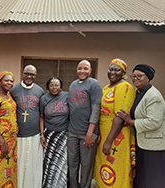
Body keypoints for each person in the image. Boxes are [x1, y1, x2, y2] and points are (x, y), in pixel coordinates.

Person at [116, 64, 165, 188]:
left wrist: (130, 121)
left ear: (148, 78)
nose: (136, 79)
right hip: (142, 141)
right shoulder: (139, 92)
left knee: (152, 177)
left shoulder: (153, 96)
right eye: (134, 76)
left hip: (153, 145)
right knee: (143, 174)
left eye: (140, 76)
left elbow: (154, 122)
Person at [93, 58, 136, 188]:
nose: (113, 72)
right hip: (104, 134)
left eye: (117, 70)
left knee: (117, 166)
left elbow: (120, 117)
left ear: (123, 73)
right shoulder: (107, 87)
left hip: (117, 136)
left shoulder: (125, 87)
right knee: (105, 165)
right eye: (110, 69)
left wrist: (108, 141)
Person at [68, 60, 102, 188]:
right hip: (72, 132)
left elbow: (96, 110)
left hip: (86, 133)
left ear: (90, 70)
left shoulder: (94, 84)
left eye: (85, 68)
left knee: (86, 165)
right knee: (72, 163)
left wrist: (90, 133)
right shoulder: (72, 85)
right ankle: (73, 185)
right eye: (79, 68)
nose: (82, 71)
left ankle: (85, 186)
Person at [10, 65, 45, 188]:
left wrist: (42, 134)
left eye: (32, 74)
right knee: (19, 164)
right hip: (19, 135)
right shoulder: (14, 90)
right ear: (22, 73)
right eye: (27, 73)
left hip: (35, 135)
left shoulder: (40, 91)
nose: (29, 76)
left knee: (33, 164)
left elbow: (42, 114)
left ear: (36, 76)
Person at [39, 77, 69, 188]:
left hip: (63, 134)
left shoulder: (67, 96)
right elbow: (41, 117)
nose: (54, 87)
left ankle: (60, 185)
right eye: (51, 85)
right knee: (48, 162)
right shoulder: (44, 99)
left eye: (57, 85)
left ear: (61, 86)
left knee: (61, 162)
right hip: (49, 134)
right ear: (48, 87)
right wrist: (42, 134)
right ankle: (47, 185)